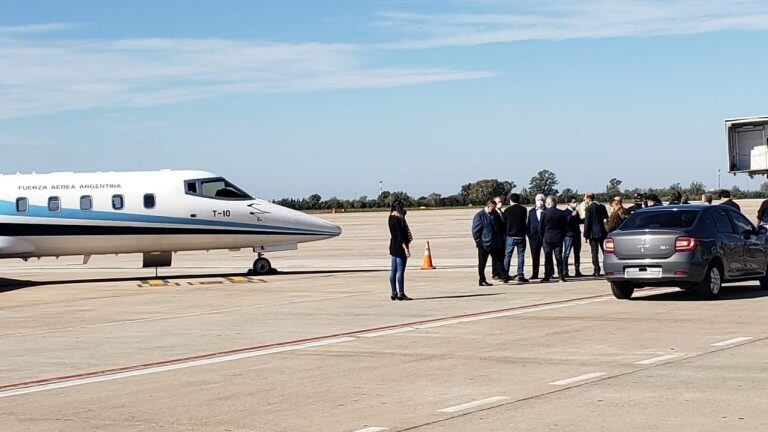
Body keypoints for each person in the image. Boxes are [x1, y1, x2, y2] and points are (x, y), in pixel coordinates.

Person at [472, 200, 508, 286]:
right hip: (484, 244)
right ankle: (482, 280)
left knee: (498, 261)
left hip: (495, 243)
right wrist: (479, 242)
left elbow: (501, 226)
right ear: (488, 206)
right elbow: (475, 231)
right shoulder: (479, 216)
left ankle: (505, 276)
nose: (494, 210)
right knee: (482, 263)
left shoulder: (495, 214)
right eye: (492, 208)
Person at [540, 195, 568, 282]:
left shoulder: (544, 213)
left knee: (548, 258)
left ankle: (547, 275)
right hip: (558, 237)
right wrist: (562, 236)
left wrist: (543, 237)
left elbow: (541, 227)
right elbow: (565, 227)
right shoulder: (561, 213)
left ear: (548, 203)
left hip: (547, 238)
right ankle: (561, 275)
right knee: (558, 257)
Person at [388, 200, 412, 301]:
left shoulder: (391, 217)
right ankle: (401, 293)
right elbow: (400, 236)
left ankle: (394, 292)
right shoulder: (398, 219)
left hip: (393, 245)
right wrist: (406, 249)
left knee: (393, 270)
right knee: (400, 271)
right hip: (400, 246)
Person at [502, 193, 529, 282]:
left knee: (507, 256)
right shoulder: (523, 209)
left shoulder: (507, 210)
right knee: (521, 255)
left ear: (511, 200)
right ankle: (520, 274)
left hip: (510, 236)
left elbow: (504, 223)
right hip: (521, 235)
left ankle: (505, 274)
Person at [583, 192, 609, 277]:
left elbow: (587, 223)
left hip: (593, 234)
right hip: (602, 232)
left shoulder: (589, 208)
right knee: (605, 252)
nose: (585, 200)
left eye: (585, 199)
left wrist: (586, 235)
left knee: (594, 252)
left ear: (589, 199)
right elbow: (606, 218)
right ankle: (607, 268)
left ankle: (596, 270)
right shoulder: (602, 206)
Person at [563, 196, 584, 278]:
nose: (575, 203)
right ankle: (565, 271)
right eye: (573, 202)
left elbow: (579, 221)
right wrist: (572, 216)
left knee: (577, 253)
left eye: (575, 202)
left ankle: (577, 270)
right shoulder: (565, 212)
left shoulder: (576, 212)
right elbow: (566, 222)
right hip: (568, 235)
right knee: (566, 253)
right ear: (569, 203)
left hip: (576, 235)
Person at [527, 194, 546, 279]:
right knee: (535, 256)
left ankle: (549, 272)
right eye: (538, 200)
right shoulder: (531, 212)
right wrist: (529, 236)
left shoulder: (547, 210)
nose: (539, 201)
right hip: (534, 238)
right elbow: (528, 225)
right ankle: (535, 274)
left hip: (545, 236)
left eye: (541, 199)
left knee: (548, 255)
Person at [491, 196, 506, 281]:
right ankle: (496, 273)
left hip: (502, 238)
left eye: (501, 201)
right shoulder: (493, 213)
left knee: (501, 257)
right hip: (496, 239)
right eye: (498, 202)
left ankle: (501, 273)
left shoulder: (502, 213)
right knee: (496, 257)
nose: (500, 203)